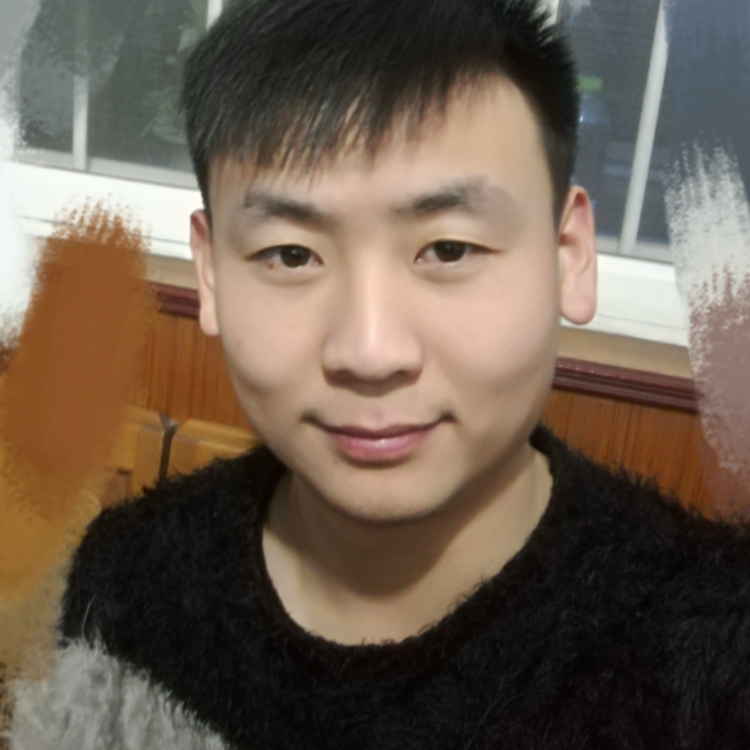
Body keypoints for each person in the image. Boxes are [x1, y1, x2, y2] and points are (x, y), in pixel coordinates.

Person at [10, 0, 750, 747]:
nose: (369, 352)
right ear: (210, 273)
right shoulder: (124, 583)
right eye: (291, 255)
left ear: (569, 257)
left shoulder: (713, 657)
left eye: (449, 249)